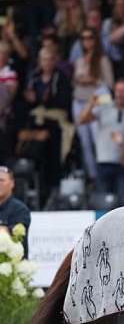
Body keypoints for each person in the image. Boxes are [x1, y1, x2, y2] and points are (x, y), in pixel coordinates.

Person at [21, 46, 72, 206]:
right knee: (34, 146)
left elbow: (64, 102)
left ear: (54, 61)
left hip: (54, 119)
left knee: (53, 146)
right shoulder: (34, 77)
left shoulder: (61, 78)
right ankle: (34, 184)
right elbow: (29, 102)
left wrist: (48, 99)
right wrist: (33, 100)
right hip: (37, 119)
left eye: (49, 60)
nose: (46, 63)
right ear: (40, 62)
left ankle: (52, 186)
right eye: (43, 60)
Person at [77, 78, 124, 196]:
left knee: (123, 204)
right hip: (103, 161)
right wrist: (90, 104)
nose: (120, 94)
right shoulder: (104, 108)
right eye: (118, 90)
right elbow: (81, 120)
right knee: (104, 203)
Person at [72, 27, 114, 188]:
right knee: (85, 142)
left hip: (96, 103)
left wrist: (91, 80)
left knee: (98, 140)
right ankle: (93, 176)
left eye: (89, 37)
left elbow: (109, 84)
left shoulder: (102, 59)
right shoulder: (79, 60)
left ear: (95, 40)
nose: (86, 41)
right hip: (79, 101)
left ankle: (101, 174)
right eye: (83, 38)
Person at [0, 166, 31, 258]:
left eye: (1, 180)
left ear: (12, 183)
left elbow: (16, 232)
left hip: (14, 267)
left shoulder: (21, 209)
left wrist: (5, 230)